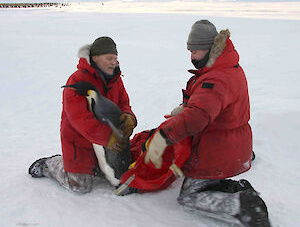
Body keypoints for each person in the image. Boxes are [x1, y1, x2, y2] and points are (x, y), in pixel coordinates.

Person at [143, 20, 271, 227]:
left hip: (217, 149)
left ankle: (241, 205)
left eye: (196, 51)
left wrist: (163, 137)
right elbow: (211, 106)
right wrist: (186, 107)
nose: (191, 57)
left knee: (189, 197)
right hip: (233, 145)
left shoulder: (216, 78)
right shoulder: (228, 67)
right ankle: (233, 188)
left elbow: (196, 119)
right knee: (205, 181)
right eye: (190, 51)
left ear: (211, 48)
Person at [28, 36, 136, 193]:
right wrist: (108, 138)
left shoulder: (115, 79)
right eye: (109, 58)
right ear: (95, 58)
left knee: (117, 179)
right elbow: (81, 120)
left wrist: (128, 117)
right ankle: (50, 164)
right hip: (80, 140)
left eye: (115, 58)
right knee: (80, 186)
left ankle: (98, 164)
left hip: (106, 142)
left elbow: (123, 103)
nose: (114, 62)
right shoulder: (77, 81)